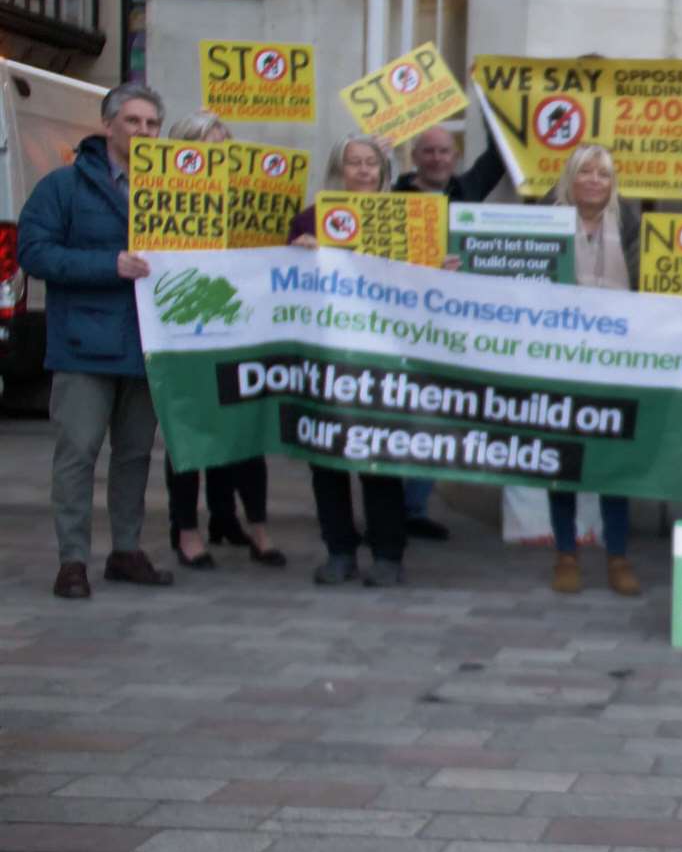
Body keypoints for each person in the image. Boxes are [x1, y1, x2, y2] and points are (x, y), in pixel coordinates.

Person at [19, 83, 174, 598]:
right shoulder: (63, 186)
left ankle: (126, 549)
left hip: (149, 343)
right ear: (108, 126)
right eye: (134, 122)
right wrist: (109, 266)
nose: (144, 132)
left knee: (134, 455)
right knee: (78, 453)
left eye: (152, 124)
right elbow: (35, 253)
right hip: (85, 342)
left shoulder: (175, 188)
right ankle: (73, 560)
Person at [159, 110, 284, 571]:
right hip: (187, 332)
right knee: (188, 432)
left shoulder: (252, 202)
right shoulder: (163, 203)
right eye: (208, 148)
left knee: (246, 430)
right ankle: (186, 528)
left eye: (225, 149)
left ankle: (253, 523)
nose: (219, 158)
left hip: (242, 330)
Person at [289, 135, 411, 587]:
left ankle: (388, 553)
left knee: (380, 457)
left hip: (382, 357)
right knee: (328, 460)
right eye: (353, 163)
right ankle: (339, 550)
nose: (362, 171)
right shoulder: (309, 220)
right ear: (337, 171)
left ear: (383, 172)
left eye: (371, 164)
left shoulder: (405, 219)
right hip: (326, 356)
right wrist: (297, 254)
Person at [391, 124, 508, 541]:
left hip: (452, 329)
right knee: (395, 417)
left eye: (444, 151)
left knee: (435, 417)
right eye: (428, 151)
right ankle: (389, 507)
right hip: (402, 325)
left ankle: (413, 508)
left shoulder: (467, 189)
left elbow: (499, 155)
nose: (437, 158)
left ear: (455, 156)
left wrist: (494, 95)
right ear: (414, 157)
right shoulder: (391, 200)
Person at [545, 144, 642, 596]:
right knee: (562, 456)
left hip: (615, 356)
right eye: (585, 172)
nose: (594, 181)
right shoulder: (545, 221)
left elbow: (654, 282)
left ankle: (617, 554)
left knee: (612, 459)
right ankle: (567, 552)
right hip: (558, 355)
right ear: (570, 177)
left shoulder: (628, 222)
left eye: (603, 174)